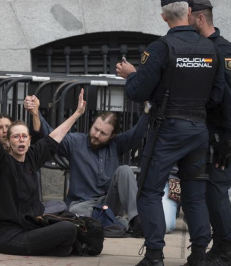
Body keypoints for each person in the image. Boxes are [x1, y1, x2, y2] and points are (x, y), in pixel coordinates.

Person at [116, 0, 224, 266]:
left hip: (167, 129)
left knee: (149, 191)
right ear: (189, 13)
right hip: (198, 129)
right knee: (194, 193)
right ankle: (199, 255)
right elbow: (217, 93)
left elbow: (137, 91)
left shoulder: (160, 48)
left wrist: (131, 75)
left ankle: (154, 257)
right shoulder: (210, 47)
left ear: (164, 17)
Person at [0, 89, 86, 256]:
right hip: (9, 237)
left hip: (31, 226)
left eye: (24, 136)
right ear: (8, 141)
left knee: (68, 219)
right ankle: (58, 247)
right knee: (67, 229)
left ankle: (59, 247)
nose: (21, 139)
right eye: (16, 137)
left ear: (29, 139)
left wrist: (77, 114)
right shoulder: (2, 161)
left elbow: (55, 136)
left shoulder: (32, 157)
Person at [29, 95, 150, 237]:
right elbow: (52, 135)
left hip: (107, 203)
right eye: (95, 129)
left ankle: (136, 220)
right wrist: (35, 112)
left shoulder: (116, 144)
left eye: (103, 133)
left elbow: (138, 133)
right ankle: (115, 224)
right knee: (75, 212)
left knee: (125, 170)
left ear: (112, 136)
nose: (97, 135)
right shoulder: (75, 141)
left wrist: (148, 110)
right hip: (82, 205)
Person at [188, 0, 231, 266]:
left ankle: (227, 252)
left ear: (200, 19)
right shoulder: (206, 49)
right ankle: (220, 249)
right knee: (208, 191)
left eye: (187, 17)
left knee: (215, 190)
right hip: (211, 134)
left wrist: (230, 140)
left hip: (224, 134)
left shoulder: (224, 51)